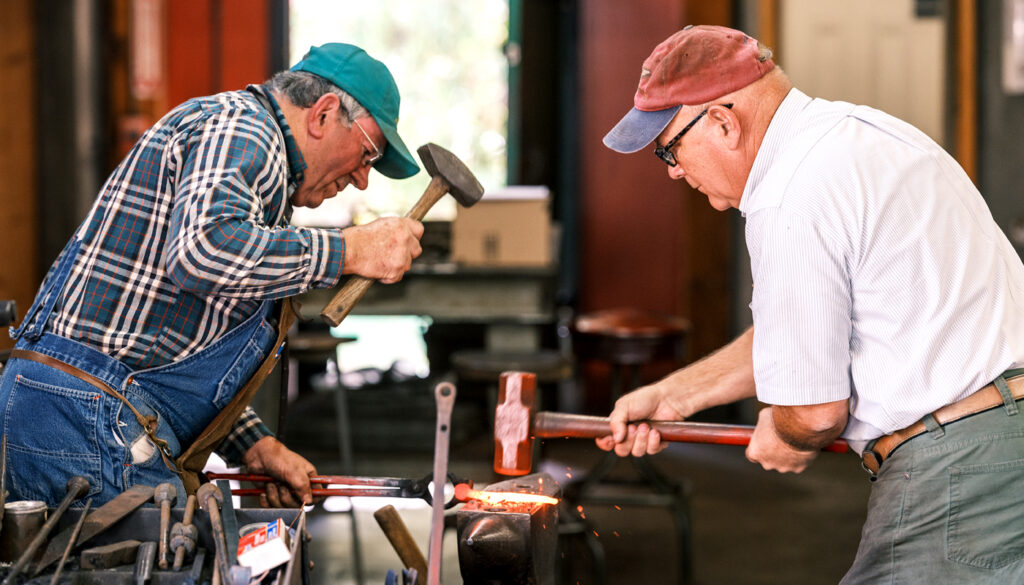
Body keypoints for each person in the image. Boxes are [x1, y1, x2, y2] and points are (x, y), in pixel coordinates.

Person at [597, 25, 1024, 583]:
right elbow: (799, 333)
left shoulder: (789, 195)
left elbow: (815, 413)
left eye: (669, 150)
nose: (674, 171)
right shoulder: (861, 134)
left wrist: (786, 429)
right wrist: (673, 395)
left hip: (960, 466)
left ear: (724, 122)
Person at [0, 43, 426, 508]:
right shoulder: (247, 128)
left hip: (80, 409)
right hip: (85, 418)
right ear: (323, 115)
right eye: (367, 155)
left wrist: (253, 443)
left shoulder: (255, 161)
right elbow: (202, 251)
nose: (364, 180)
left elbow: (178, 339)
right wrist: (348, 248)